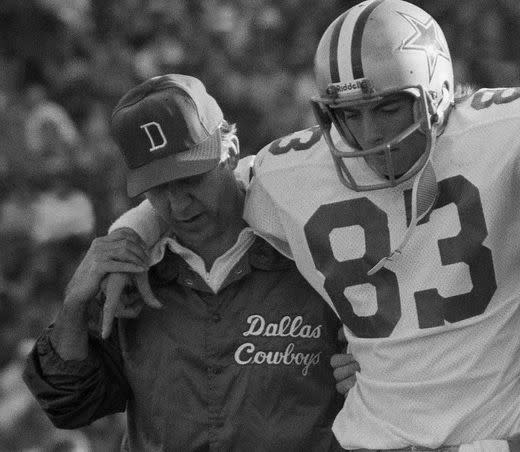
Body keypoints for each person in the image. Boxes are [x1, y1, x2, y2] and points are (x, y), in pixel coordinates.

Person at [110, 2, 520, 450]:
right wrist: (131, 233)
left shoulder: (512, 129)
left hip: (496, 438)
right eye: (348, 114)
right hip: (368, 438)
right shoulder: (292, 170)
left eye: (389, 109)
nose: (367, 136)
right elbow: (209, 188)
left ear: (437, 93)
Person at [22, 74, 344, 451]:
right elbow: (69, 406)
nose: (178, 204)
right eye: (157, 188)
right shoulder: (128, 278)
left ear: (232, 151)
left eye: (191, 178)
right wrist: (75, 302)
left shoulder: (310, 247)